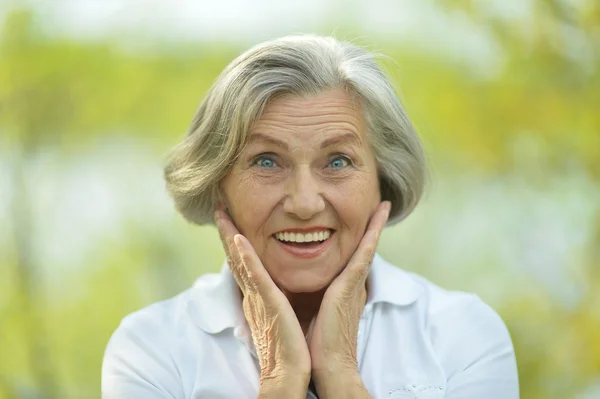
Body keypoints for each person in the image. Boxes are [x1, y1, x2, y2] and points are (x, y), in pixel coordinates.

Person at [101, 35, 519, 399]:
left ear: (383, 178)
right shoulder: (150, 348)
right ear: (217, 185)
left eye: (338, 161)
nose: (304, 204)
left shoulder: (463, 333)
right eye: (266, 161)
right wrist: (282, 380)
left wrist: (340, 374)